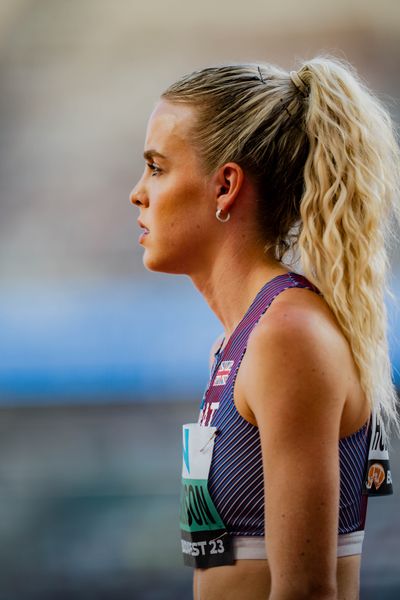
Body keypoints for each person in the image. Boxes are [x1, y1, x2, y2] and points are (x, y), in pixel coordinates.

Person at [130, 54, 400, 600]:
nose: (138, 192)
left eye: (157, 168)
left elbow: (306, 592)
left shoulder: (288, 336)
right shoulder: (243, 340)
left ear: (225, 185)